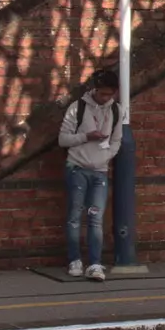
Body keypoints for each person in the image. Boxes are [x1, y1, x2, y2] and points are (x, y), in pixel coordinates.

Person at [58, 68, 123, 281]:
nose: (106, 98)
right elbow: (63, 139)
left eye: (110, 94)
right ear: (94, 89)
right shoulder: (77, 108)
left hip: (100, 172)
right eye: (102, 94)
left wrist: (106, 156)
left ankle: (95, 264)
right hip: (77, 168)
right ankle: (74, 260)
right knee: (75, 217)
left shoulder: (116, 111)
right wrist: (86, 136)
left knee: (96, 218)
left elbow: (116, 141)